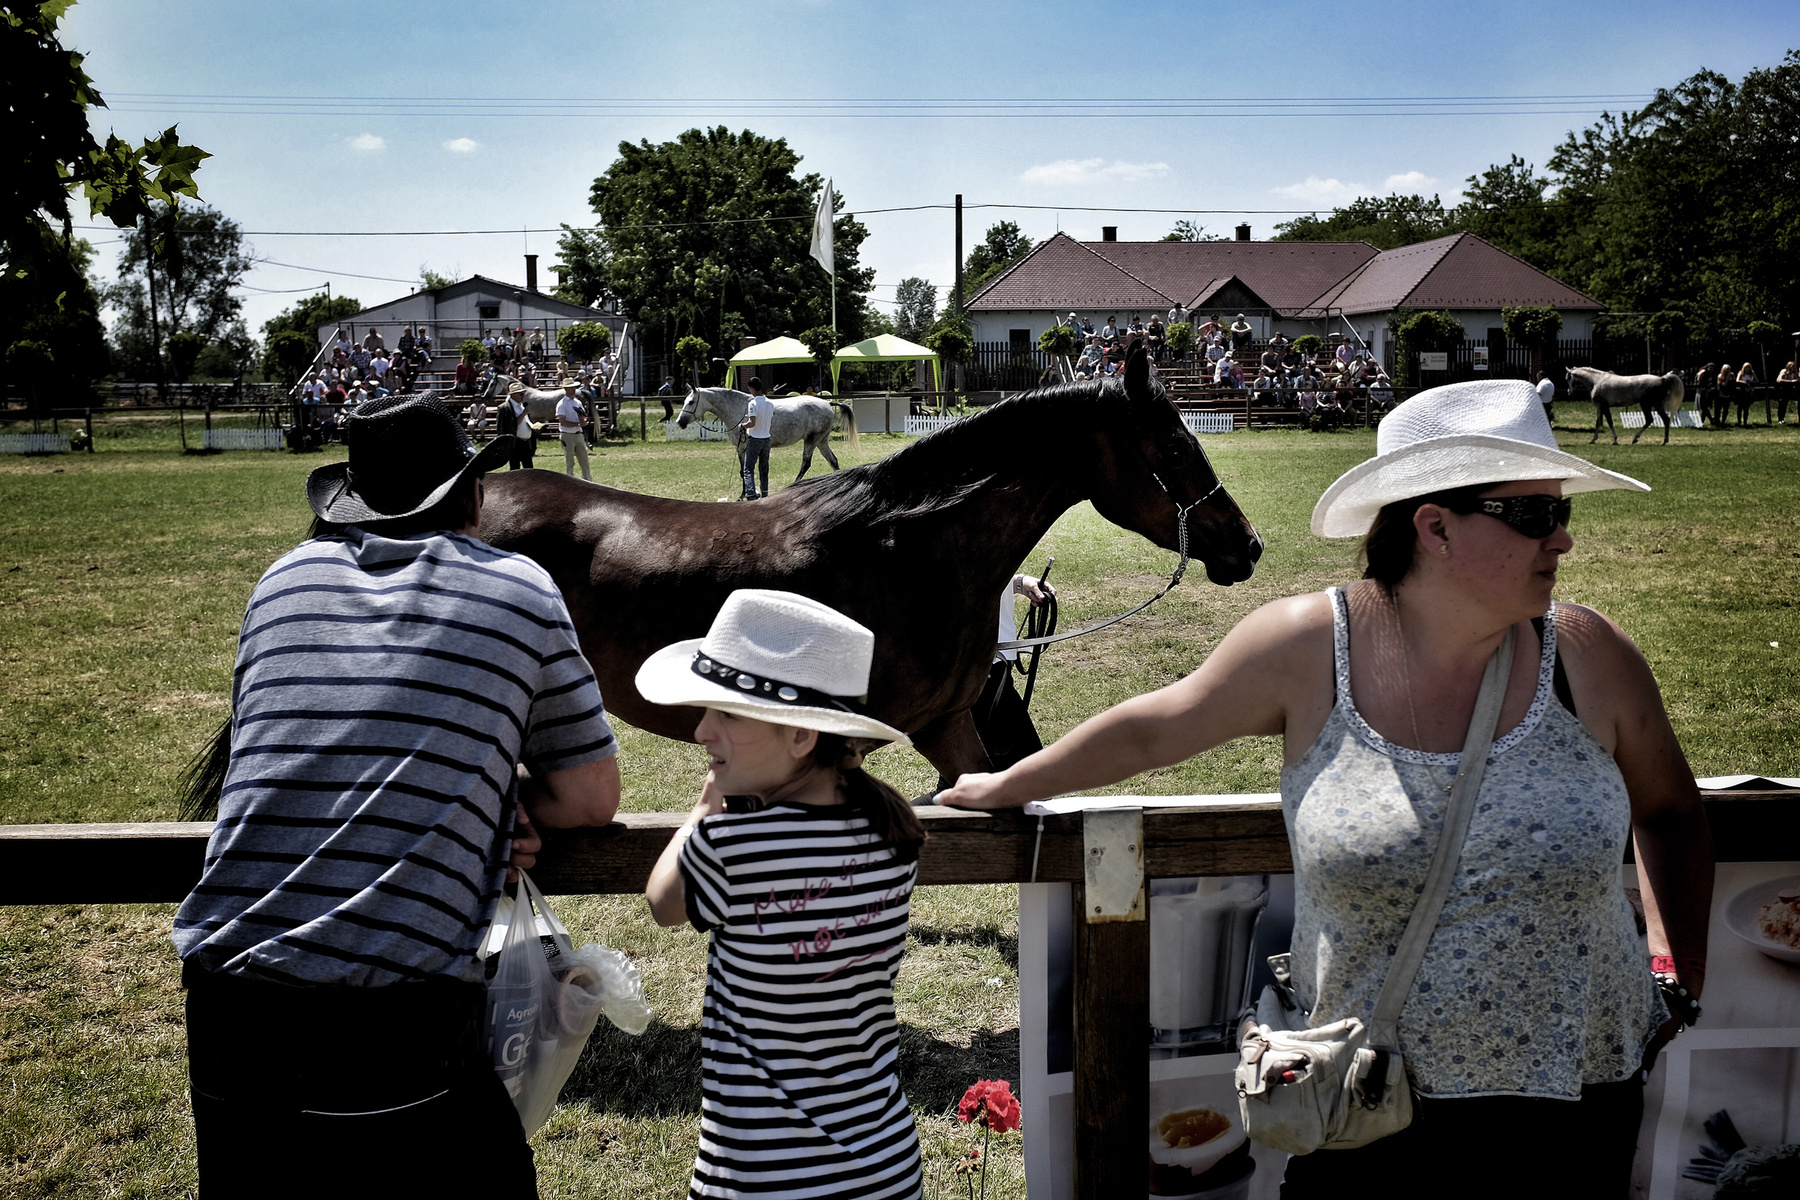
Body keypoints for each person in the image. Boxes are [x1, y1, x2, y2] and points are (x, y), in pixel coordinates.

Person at [942, 378, 1712, 1195]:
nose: (1560, 541)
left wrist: (1676, 974)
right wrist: (1007, 783)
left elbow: (1670, 812)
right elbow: (1155, 727)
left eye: (1564, 513)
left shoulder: (1589, 656)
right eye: (1532, 516)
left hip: (1579, 1097)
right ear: (1435, 527)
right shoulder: (1311, 647)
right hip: (1372, 1105)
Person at [172, 395, 622, 1198]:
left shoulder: (282, 579)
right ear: (474, 493)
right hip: (387, 1007)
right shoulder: (517, 588)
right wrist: (499, 800)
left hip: (222, 999)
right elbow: (591, 796)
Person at [640, 589, 926, 1200]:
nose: (701, 730)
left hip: (761, 1174)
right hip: (885, 1163)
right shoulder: (894, 831)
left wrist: (702, 810)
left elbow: (663, 903)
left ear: (801, 736)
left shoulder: (728, 846)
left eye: (728, 714)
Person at [736, 376, 774, 500]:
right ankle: (765, 494)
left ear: (752, 388)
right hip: (766, 439)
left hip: (755, 438)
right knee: (764, 469)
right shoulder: (770, 403)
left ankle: (751, 495)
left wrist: (742, 425)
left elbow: (752, 423)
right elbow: (763, 419)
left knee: (748, 469)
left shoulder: (752, 403)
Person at [555, 376, 592, 482]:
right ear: (566, 389)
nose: (573, 389)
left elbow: (582, 416)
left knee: (584, 460)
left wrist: (583, 420)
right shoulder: (562, 404)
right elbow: (563, 422)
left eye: (574, 387)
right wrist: (579, 423)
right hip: (567, 435)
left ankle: (588, 480)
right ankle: (569, 482)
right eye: (571, 387)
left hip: (578, 434)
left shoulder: (577, 402)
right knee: (570, 462)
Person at [501, 380, 535, 469]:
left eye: (523, 393)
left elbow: (525, 422)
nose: (523, 396)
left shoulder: (521, 406)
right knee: (515, 468)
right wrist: (524, 413)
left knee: (529, 468)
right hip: (515, 442)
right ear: (513, 395)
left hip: (526, 442)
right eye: (520, 394)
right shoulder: (506, 408)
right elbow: (512, 425)